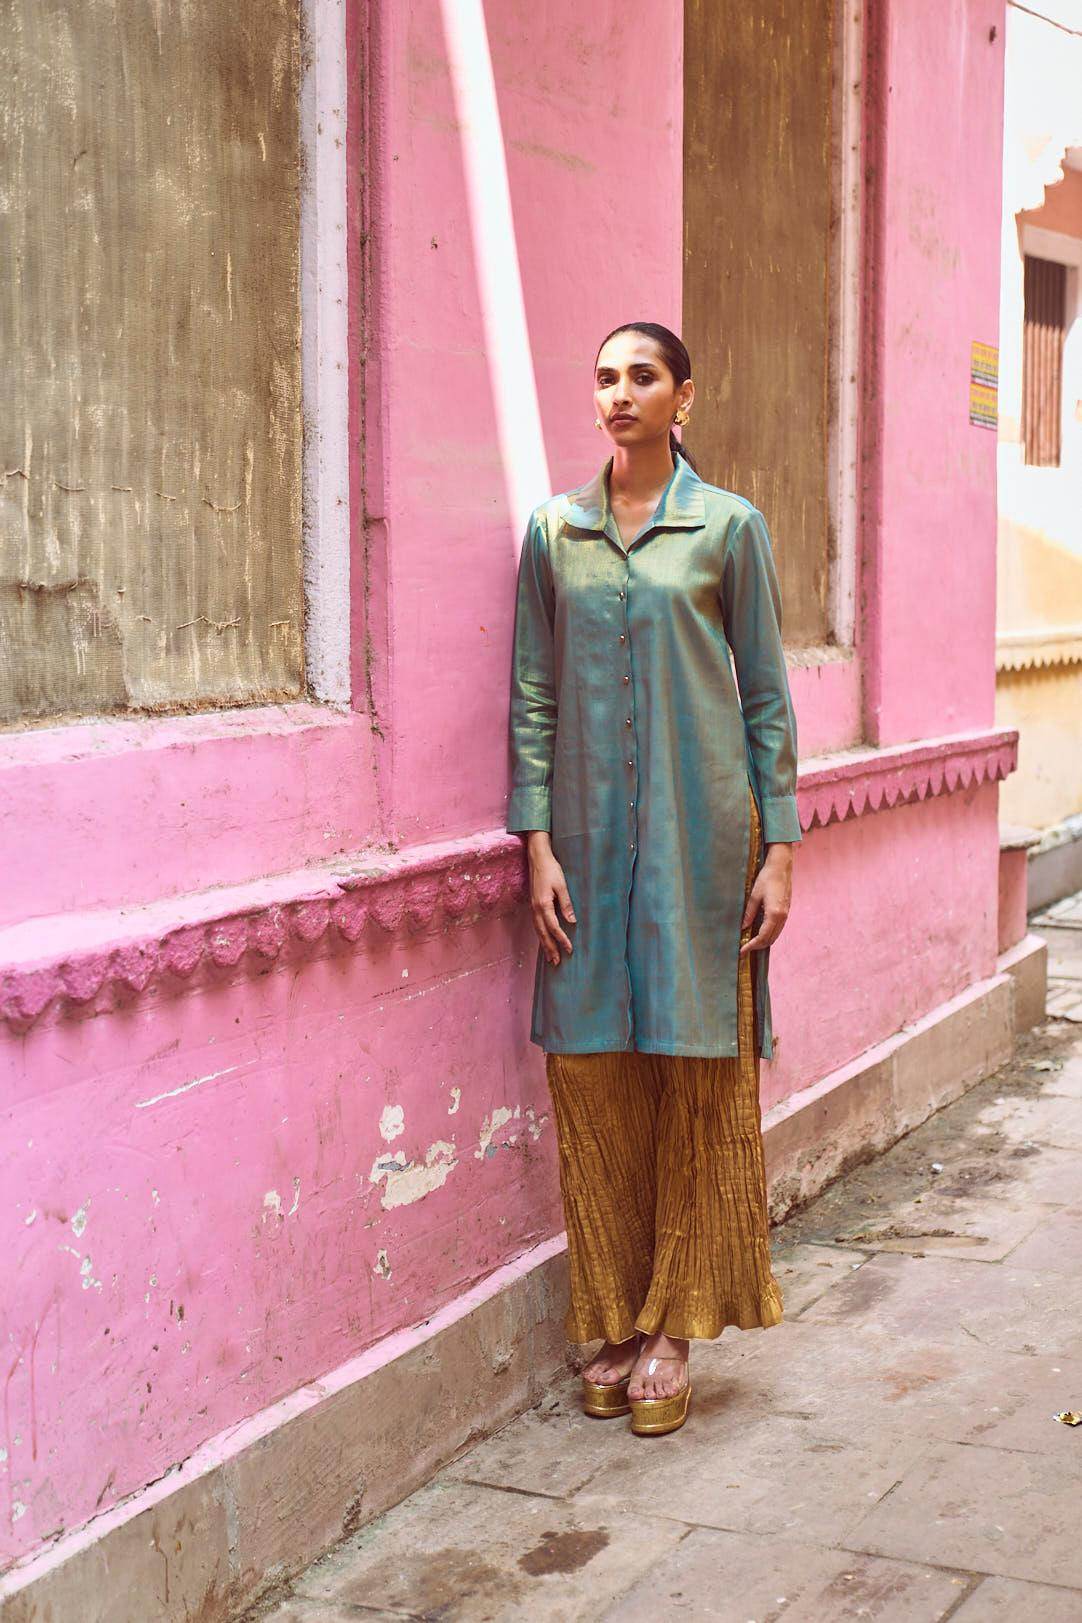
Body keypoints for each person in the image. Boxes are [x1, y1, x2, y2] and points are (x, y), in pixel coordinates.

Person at [506, 321, 801, 1436]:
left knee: (694, 1071)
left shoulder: (727, 527)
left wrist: (779, 849)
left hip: (702, 844)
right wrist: (536, 842)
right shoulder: (555, 533)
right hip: (582, 850)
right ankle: (615, 1317)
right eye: (604, 377)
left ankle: (672, 1326)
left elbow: (765, 695)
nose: (618, 393)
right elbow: (532, 694)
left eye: (642, 376)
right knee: (591, 1078)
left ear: (684, 397)